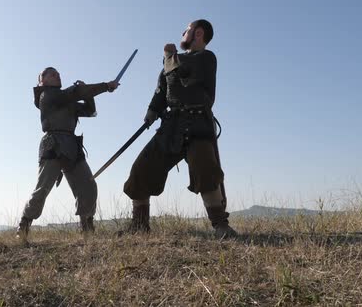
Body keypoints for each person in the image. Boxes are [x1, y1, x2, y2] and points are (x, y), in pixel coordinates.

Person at [122, 19, 237, 238]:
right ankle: (139, 226)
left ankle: (221, 226)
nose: (182, 33)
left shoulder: (206, 58)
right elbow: (162, 90)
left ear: (198, 33)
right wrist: (152, 110)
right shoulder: (173, 60)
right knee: (141, 170)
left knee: (206, 170)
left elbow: (185, 84)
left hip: (197, 124)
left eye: (186, 30)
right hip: (171, 126)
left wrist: (169, 59)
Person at [17, 67, 119, 240]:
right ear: (41, 81)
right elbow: (74, 93)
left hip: (71, 146)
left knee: (88, 186)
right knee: (42, 189)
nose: (57, 75)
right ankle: (24, 225)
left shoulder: (66, 99)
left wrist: (89, 94)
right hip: (53, 145)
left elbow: (89, 111)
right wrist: (105, 86)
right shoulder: (46, 96)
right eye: (51, 74)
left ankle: (87, 229)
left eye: (57, 73)